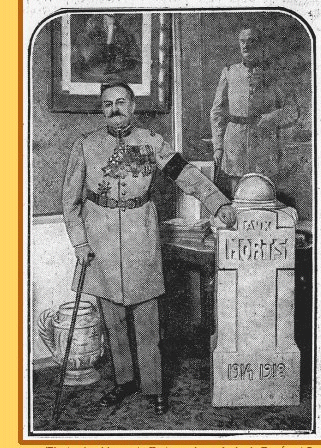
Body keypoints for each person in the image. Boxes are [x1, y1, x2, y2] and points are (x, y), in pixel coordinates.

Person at [62, 81, 236, 413]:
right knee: (112, 320)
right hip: (99, 241)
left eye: (121, 102)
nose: (114, 109)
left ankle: (154, 387)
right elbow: (69, 202)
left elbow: (187, 176)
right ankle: (124, 382)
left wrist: (218, 204)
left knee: (147, 319)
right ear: (102, 110)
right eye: (107, 104)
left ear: (133, 106)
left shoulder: (151, 143)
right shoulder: (85, 146)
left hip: (140, 237)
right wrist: (80, 242)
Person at [210, 26, 299, 199]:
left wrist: (271, 118)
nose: (246, 46)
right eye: (242, 41)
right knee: (238, 195)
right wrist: (218, 146)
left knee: (264, 194)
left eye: (252, 42)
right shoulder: (229, 72)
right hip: (235, 142)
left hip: (264, 144)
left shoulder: (274, 73)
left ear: (261, 45)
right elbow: (217, 112)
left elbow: (292, 110)